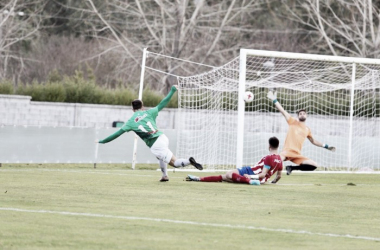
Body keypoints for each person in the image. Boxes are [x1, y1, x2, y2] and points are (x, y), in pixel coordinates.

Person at [96, 85, 203, 182]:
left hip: (155, 144)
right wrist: (172, 90)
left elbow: (117, 134)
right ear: (142, 106)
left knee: (174, 163)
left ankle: (189, 161)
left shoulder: (130, 122)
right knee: (160, 157)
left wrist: (102, 141)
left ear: (132, 109)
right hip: (162, 137)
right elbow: (163, 103)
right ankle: (164, 176)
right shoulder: (149, 112)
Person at [267, 90, 336, 175]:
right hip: (286, 152)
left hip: (297, 154)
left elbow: (313, 141)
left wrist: (326, 146)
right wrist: (275, 100)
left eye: (304, 113)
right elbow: (283, 111)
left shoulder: (307, 129)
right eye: (300, 114)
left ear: (306, 116)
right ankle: (262, 174)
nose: (302, 114)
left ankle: (291, 168)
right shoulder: (292, 122)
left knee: (314, 165)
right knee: (275, 161)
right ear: (298, 116)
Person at [186, 137, 283, 185]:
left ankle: (249, 181)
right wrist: (272, 182)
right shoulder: (280, 160)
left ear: (269, 146)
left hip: (251, 172)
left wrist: (250, 177)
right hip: (261, 180)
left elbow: (262, 174)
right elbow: (278, 176)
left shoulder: (269, 157)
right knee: (226, 177)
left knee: (228, 174)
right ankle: (199, 179)